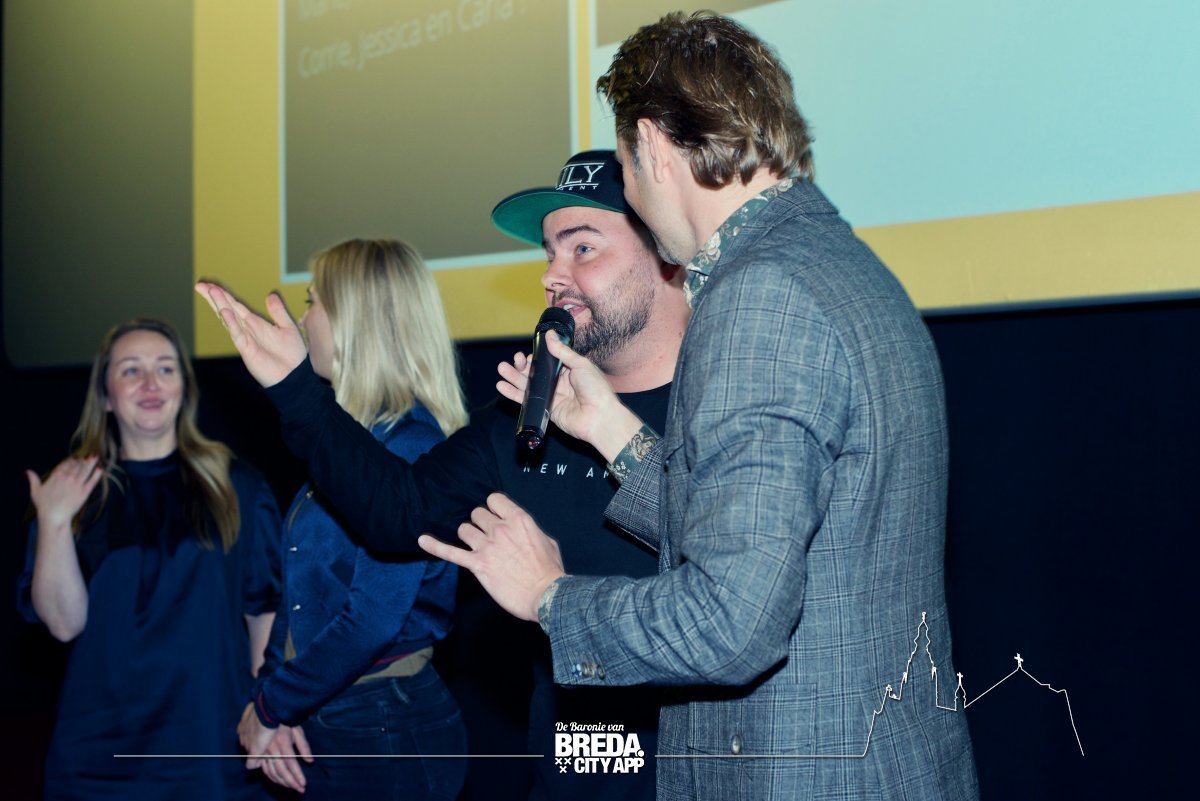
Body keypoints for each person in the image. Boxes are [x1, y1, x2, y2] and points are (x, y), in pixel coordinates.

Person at [418, 12, 981, 801]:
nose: (634, 198)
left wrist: (550, 595)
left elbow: (732, 622)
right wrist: (612, 430)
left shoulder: (760, 297)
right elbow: (779, 541)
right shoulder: (841, 265)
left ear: (652, 145)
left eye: (625, 168)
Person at [196, 150, 690, 801]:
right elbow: (397, 514)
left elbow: (739, 582)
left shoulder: (734, 405)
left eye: (583, 248)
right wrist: (297, 391)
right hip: (575, 759)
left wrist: (553, 592)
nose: (552, 276)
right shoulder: (525, 416)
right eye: (549, 254)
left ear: (669, 255)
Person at [234, 239, 470, 799]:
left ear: (354, 318)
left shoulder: (409, 447)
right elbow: (300, 597)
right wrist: (276, 700)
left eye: (312, 301)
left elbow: (374, 618)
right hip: (338, 712)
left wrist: (272, 706)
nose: (301, 320)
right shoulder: (354, 445)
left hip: (383, 723)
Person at [17, 318, 282, 801]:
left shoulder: (238, 486)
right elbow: (63, 624)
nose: (150, 384)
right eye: (131, 370)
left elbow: (264, 612)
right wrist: (54, 522)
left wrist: (270, 711)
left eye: (165, 369)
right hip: (100, 757)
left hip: (212, 747)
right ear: (105, 395)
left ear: (185, 388)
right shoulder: (72, 492)